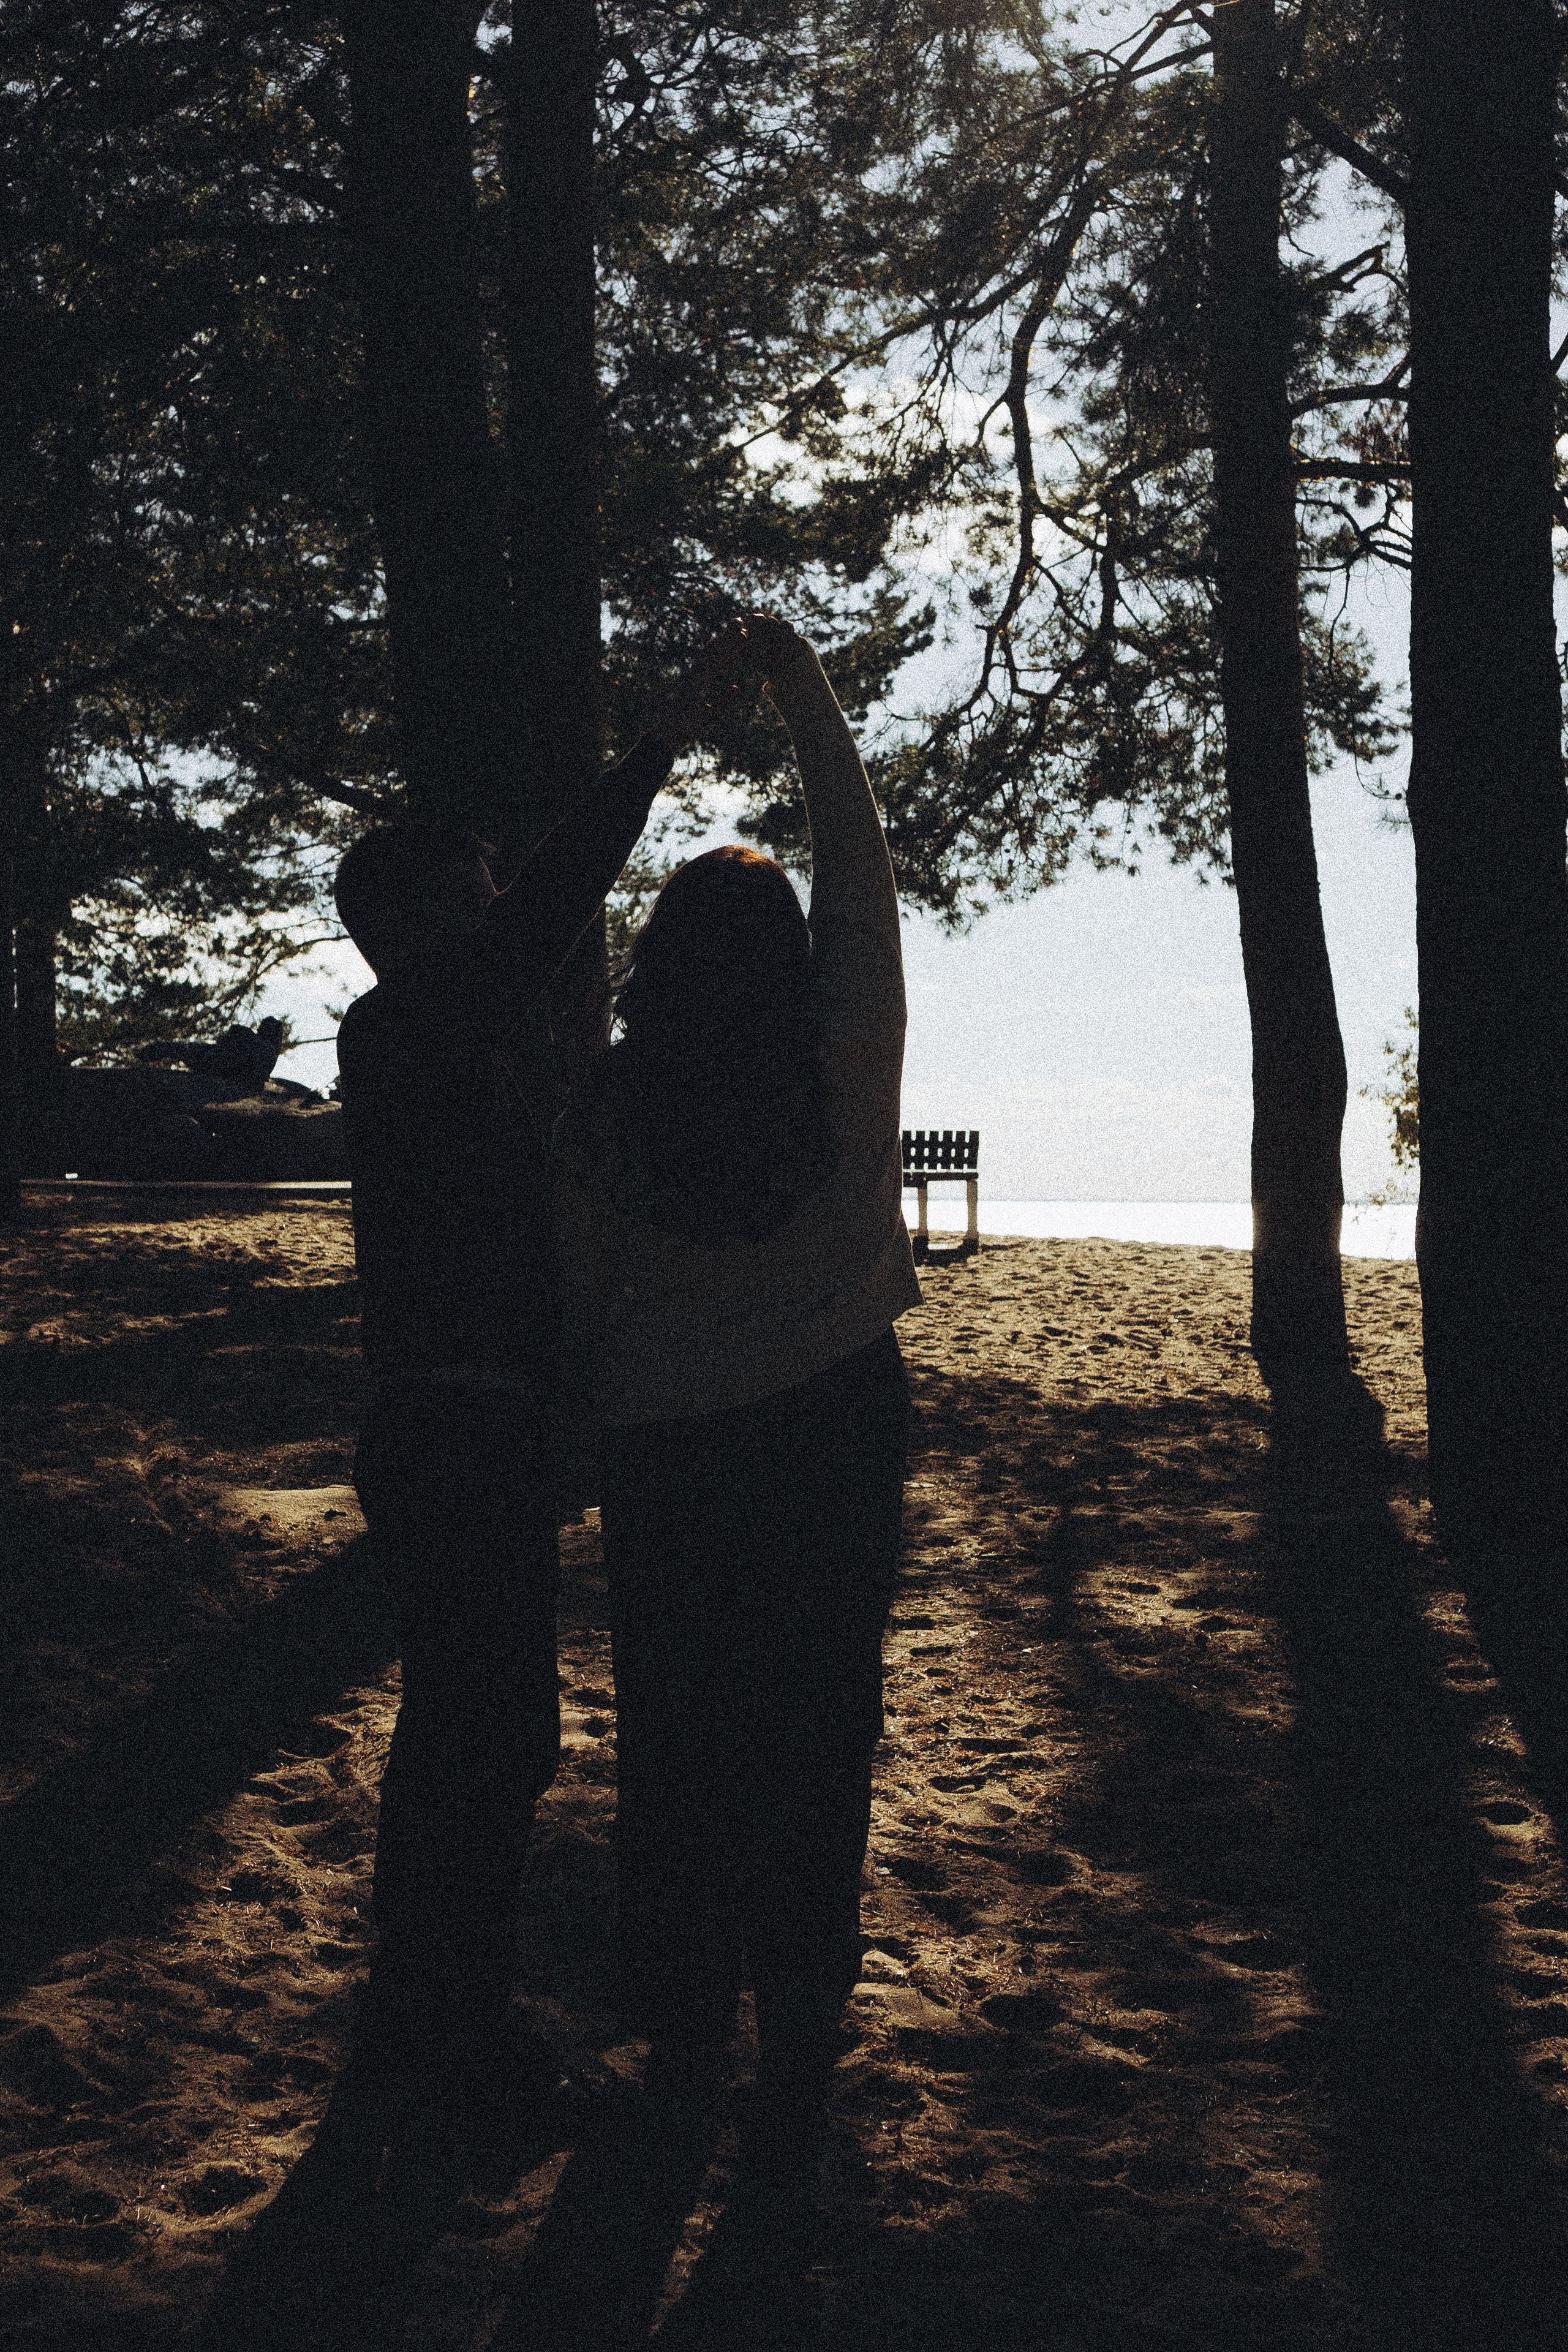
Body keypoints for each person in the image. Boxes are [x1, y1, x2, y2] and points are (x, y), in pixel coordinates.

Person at [328, 624, 748, 2142]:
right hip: (449, 1430)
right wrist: (654, 754)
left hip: (471, 1427)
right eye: (471, 894)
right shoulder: (404, 1027)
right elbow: (550, 923)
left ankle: (425, 2015)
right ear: (403, 923)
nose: (500, 912)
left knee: (475, 1732)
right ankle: (449, 2035)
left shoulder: (433, 1047)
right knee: (484, 1736)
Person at [554, 612, 921, 2210]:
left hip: (668, 1446)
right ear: (786, 963)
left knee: (681, 1728)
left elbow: (586, 1296)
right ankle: (807, 1995)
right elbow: (862, 866)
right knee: (821, 1711)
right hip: (834, 1418)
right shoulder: (843, 1061)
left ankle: (686, 2009)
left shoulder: (609, 1104)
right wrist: (800, 689)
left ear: (656, 965)